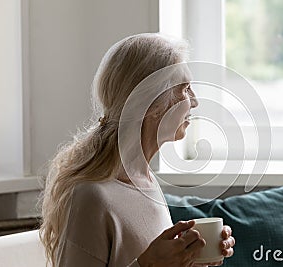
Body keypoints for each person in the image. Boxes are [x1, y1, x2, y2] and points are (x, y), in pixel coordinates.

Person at [39, 33, 235, 267]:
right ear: (151, 103)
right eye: (185, 89)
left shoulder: (146, 181)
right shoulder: (91, 197)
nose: (194, 102)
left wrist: (191, 258)